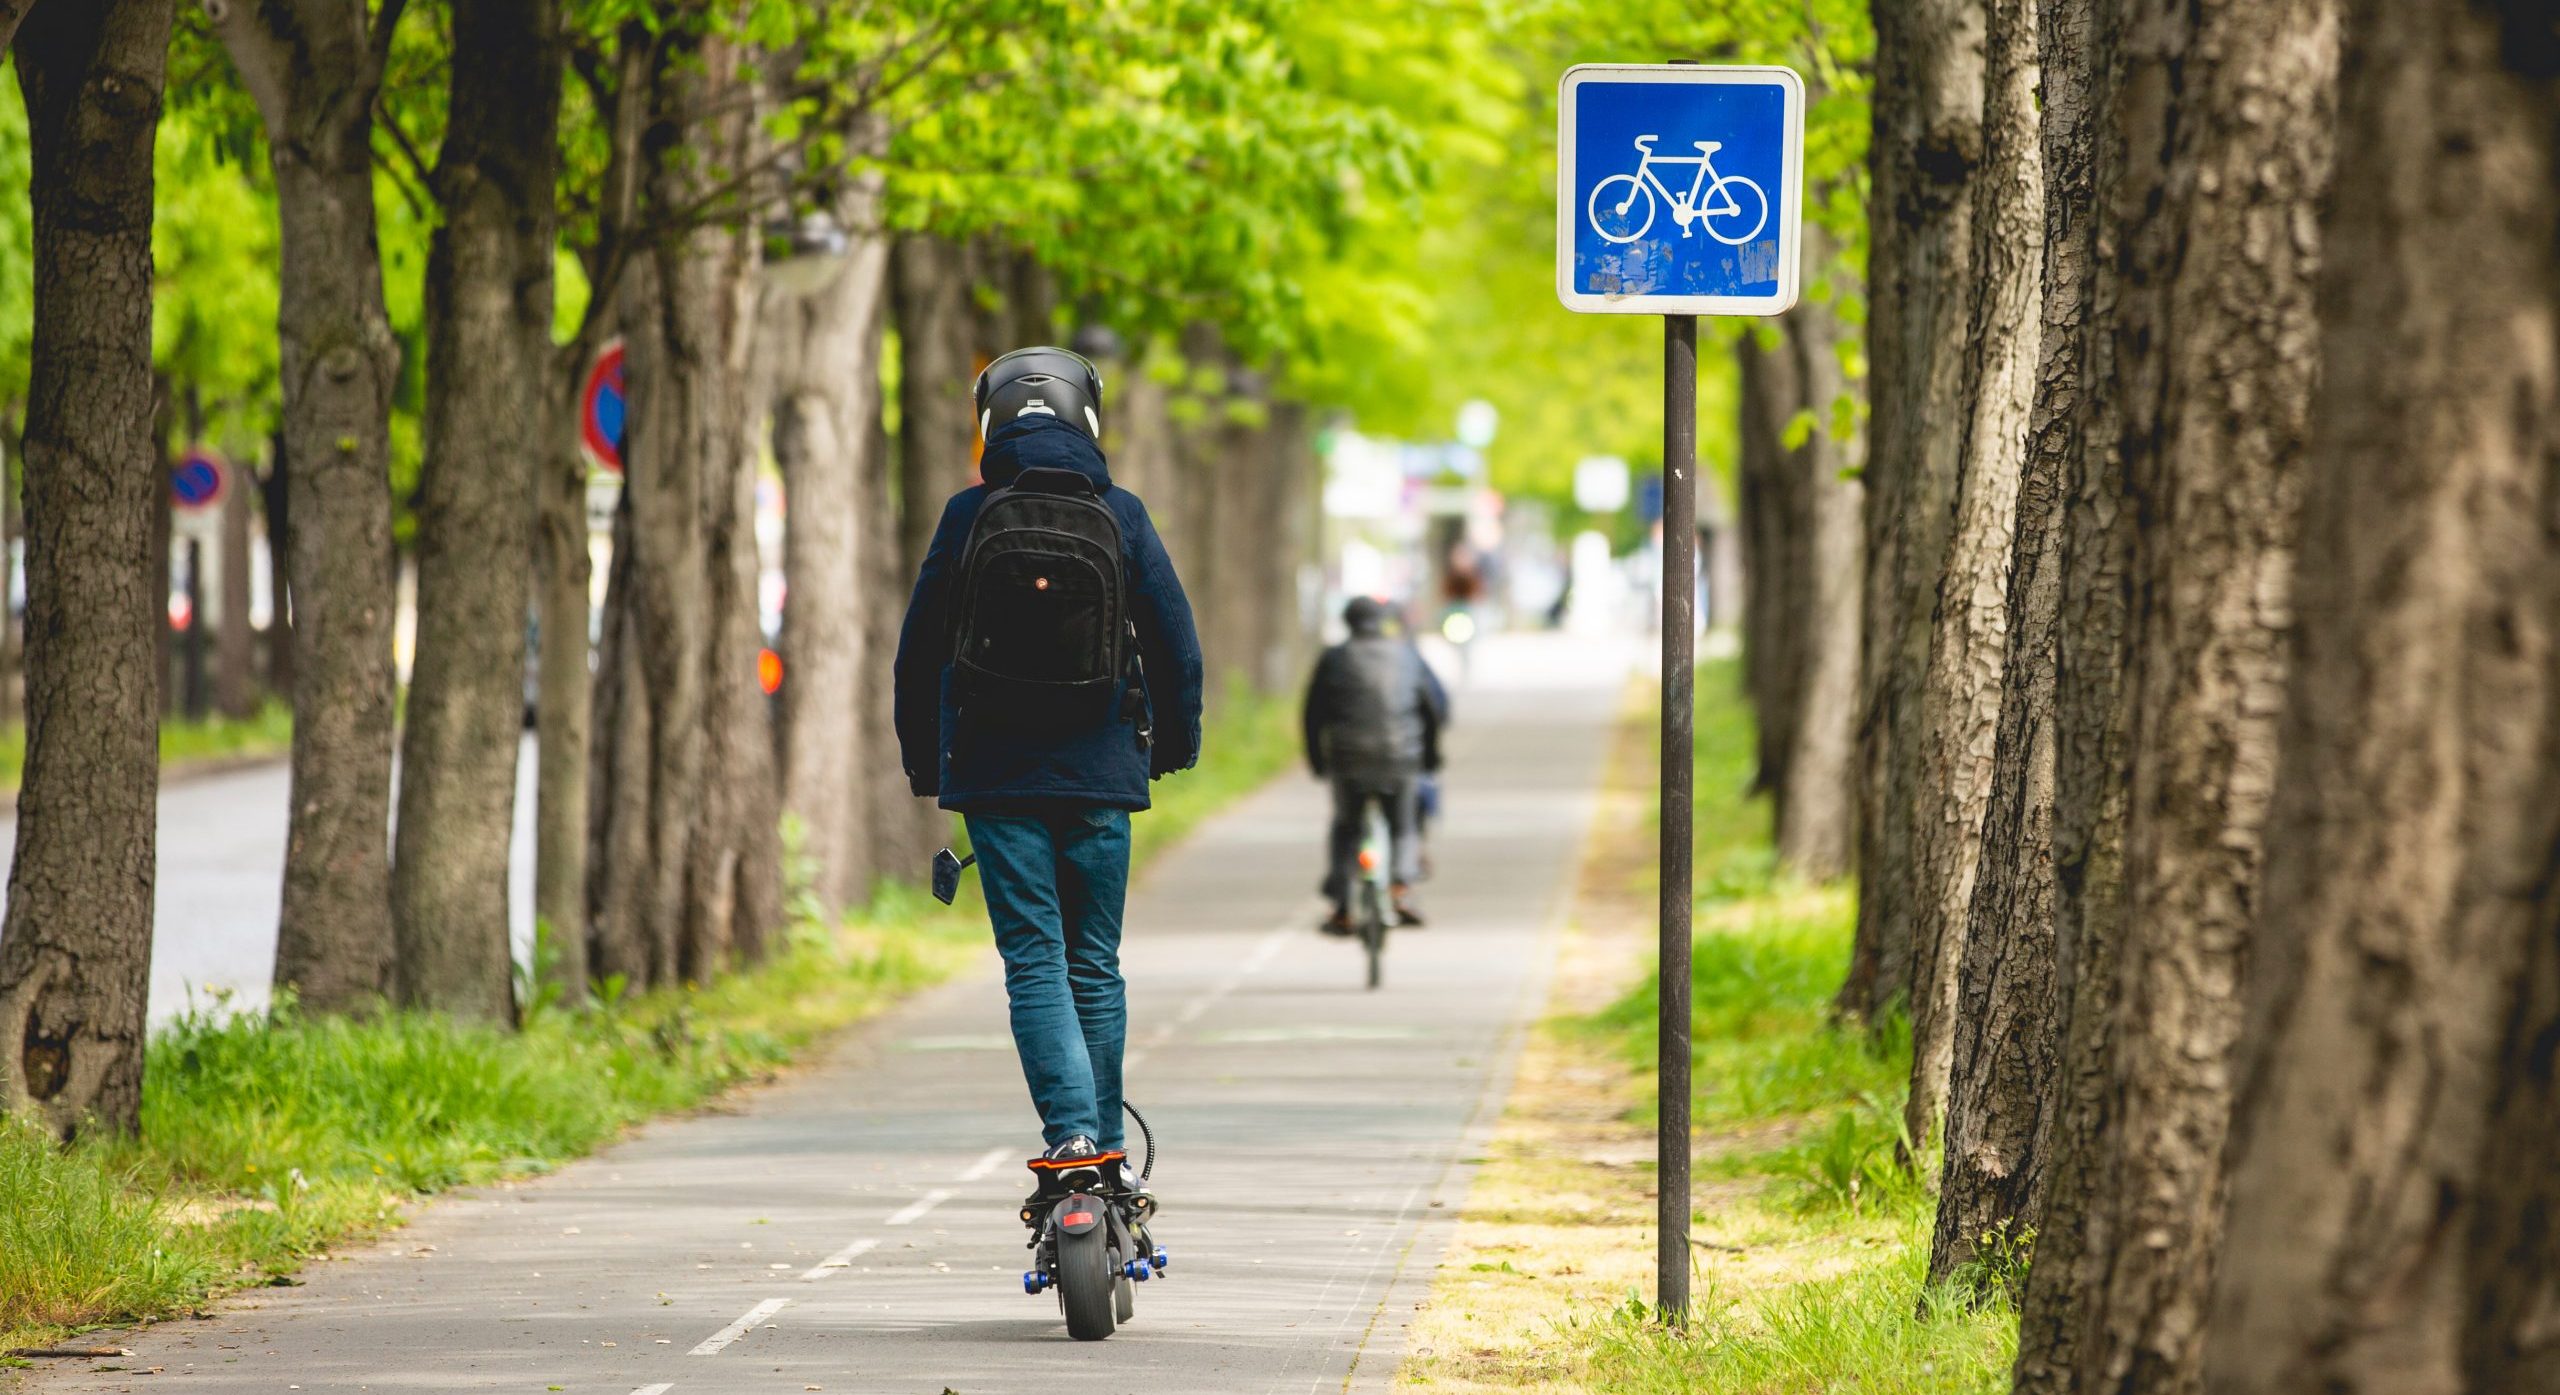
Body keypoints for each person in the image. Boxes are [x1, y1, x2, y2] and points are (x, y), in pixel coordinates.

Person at [894, 345, 1205, 1172]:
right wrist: (1174, 746)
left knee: (1034, 957)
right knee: (1094, 963)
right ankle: (1104, 1152)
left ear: (990, 421)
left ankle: (1069, 1137)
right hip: (1102, 773)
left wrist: (929, 764)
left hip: (996, 778)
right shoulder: (1123, 512)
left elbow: (918, 651)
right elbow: (1177, 645)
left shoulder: (968, 515)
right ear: (1087, 417)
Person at [1302, 596, 1449, 932]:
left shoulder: (1334, 658)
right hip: (1401, 758)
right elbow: (1431, 710)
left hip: (1347, 759)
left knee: (1346, 827)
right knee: (1404, 825)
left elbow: (1313, 714)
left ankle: (1341, 909)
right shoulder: (1407, 655)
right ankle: (1401, 889)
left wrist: (1317, 760)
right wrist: (1430, 755)